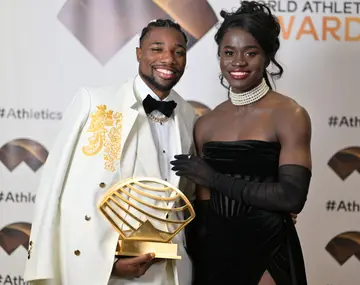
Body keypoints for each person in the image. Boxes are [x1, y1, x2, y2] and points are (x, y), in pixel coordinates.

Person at [24, 19, 196, 285]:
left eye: (179, 51)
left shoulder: (187, 114)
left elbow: (182, 197)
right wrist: (108, 262)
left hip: (168, 271)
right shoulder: (94, 102)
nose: (168, 59)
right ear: (139, 53)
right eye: (157, 49)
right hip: (100, 270)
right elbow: (53, 188)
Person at [171, 2, 312, 285]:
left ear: (267, 56)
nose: (238, 62)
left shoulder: (289, 114)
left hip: (268, 250)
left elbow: (291, 196)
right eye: (229, 53)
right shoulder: (206, 123)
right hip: (214, 254)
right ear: (219, 56)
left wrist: (214, 178)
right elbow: (205, 207)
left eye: (251, 52)